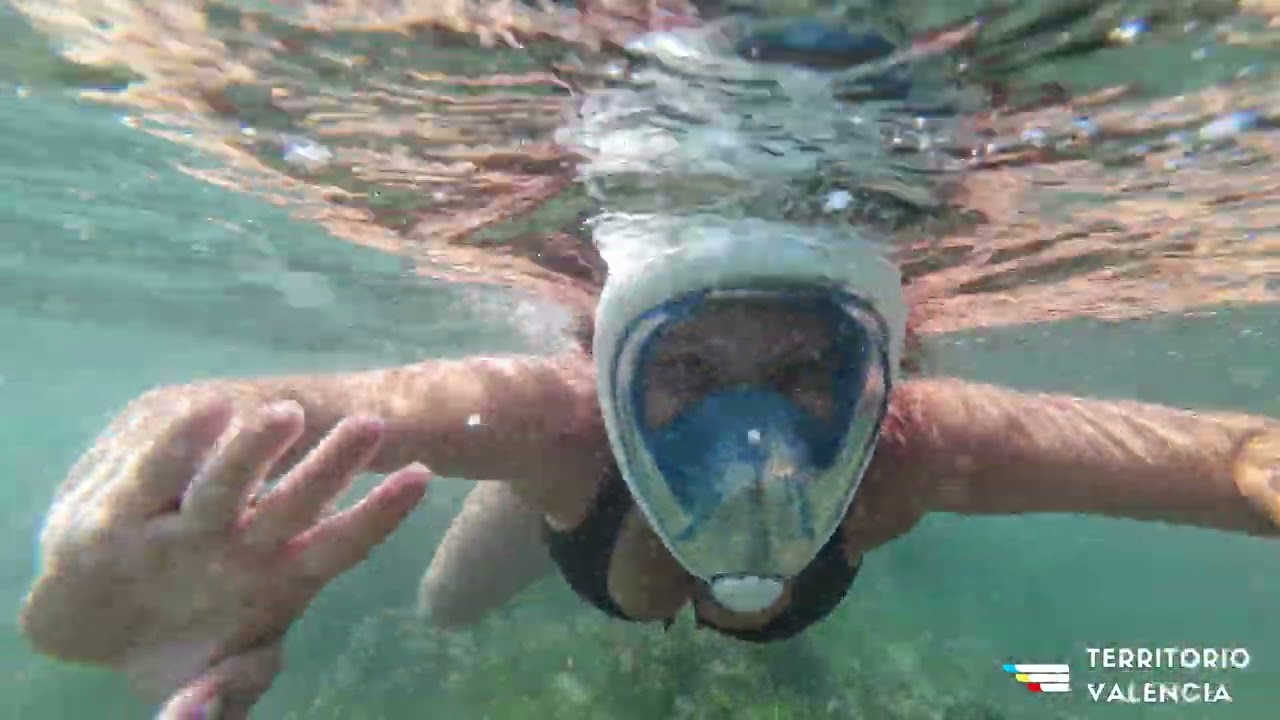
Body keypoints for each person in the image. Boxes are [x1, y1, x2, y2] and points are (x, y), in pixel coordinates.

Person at [15, 6, 1280, 720]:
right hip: (565, 488)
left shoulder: (924, 447)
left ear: (880, 380)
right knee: (444, 610)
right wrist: (131, 531)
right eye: (685, 372)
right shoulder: (557, 419)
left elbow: (1236, 465)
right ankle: (510, 498)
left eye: (802, 376)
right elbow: (271, 414)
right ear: (606, 367)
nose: (753, 440)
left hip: (592, 477)